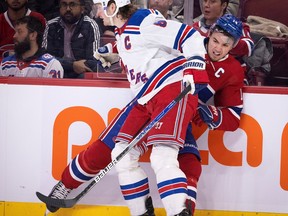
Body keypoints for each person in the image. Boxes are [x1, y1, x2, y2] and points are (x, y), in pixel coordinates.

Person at [42, 12, 244, 216]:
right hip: (151, 95)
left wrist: (211, 113)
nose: (217, 48)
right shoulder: (193, 38)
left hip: (180, 110)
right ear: (210, 33)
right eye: (216, 40)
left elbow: (234, 117)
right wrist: (114, 51)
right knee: (108, 149)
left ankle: (182, 210)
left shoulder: (233, 70)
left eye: (225, 45)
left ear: (232, 47)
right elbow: (149, 40)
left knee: (188, 163)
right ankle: (65, 184)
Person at [42, 0, 101, 78]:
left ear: (82, 8)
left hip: (81, 74)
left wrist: (77, 66)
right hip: (56, 72)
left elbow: (94, 60)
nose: (68, 9)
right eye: (64, 4)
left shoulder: (90, 25)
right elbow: (45, 58)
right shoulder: (50, 26)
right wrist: (71, 65)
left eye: (72, 4)